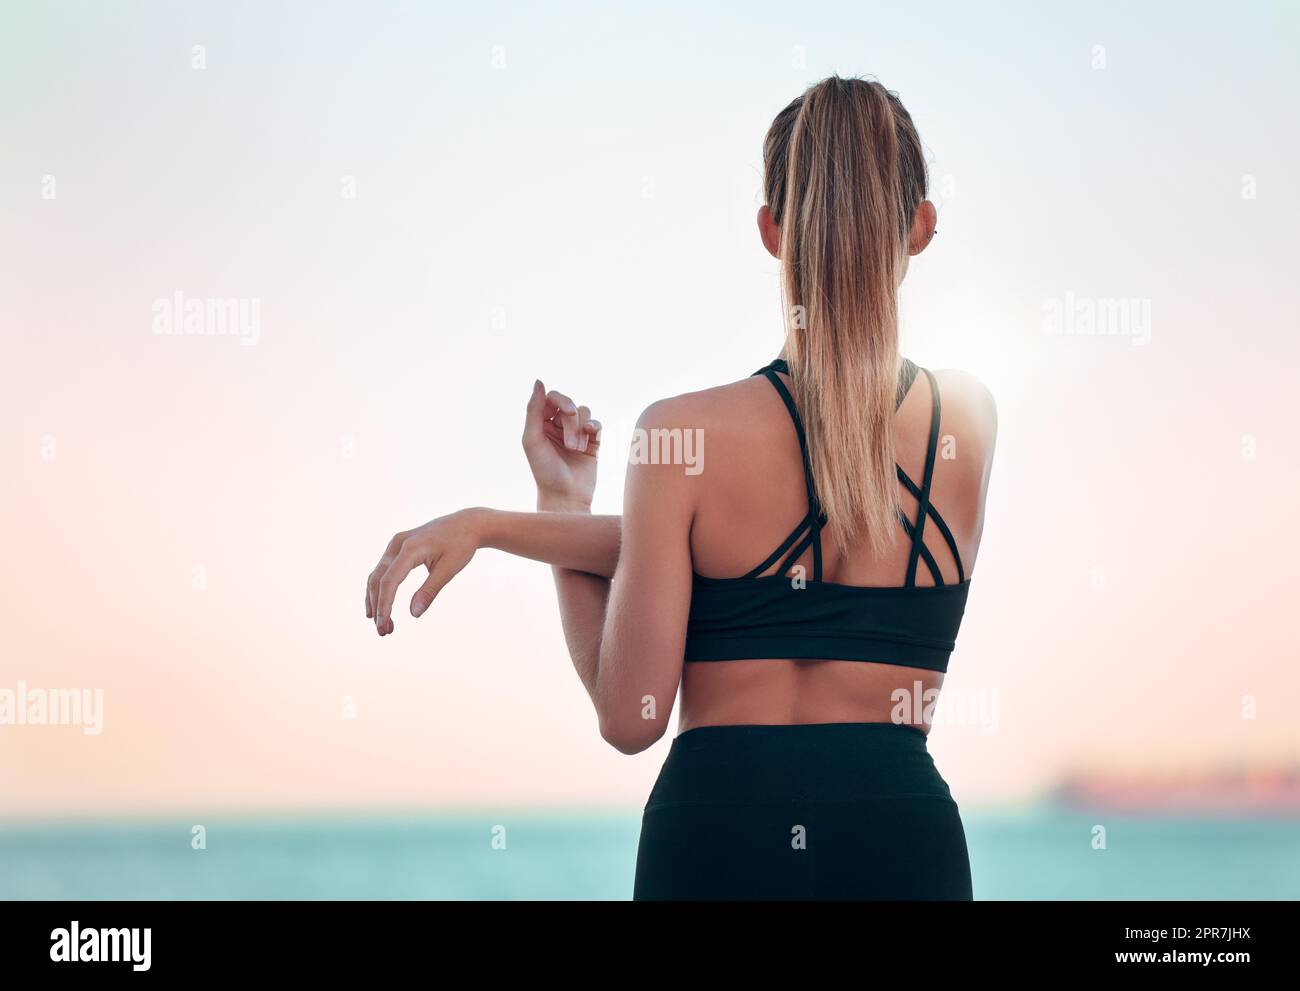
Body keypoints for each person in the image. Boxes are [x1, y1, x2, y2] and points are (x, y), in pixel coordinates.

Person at [365, 75, 997, 899]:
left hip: (718, 841)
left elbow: (633, 713)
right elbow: (749, 556)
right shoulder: (970, 424)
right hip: (903, 842)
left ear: (773, 232)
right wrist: (502, 525)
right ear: (920, 227)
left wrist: (543, 514)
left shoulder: (684, 439)